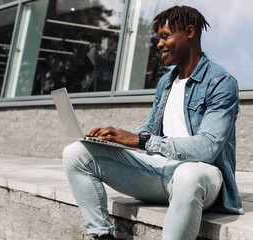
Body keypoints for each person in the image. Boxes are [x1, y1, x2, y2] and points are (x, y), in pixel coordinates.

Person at [63, 5, 243, 240]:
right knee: (76, 153)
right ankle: (102, 236)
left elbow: (207, 148)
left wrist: (141, 140)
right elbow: (151, 129)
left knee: (188, 175)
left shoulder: (220, 83)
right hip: (159, 173)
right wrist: (116, 137)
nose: (158, 44)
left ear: (189, 32)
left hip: (201, 180)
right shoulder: (166, 83)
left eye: (165, 36)